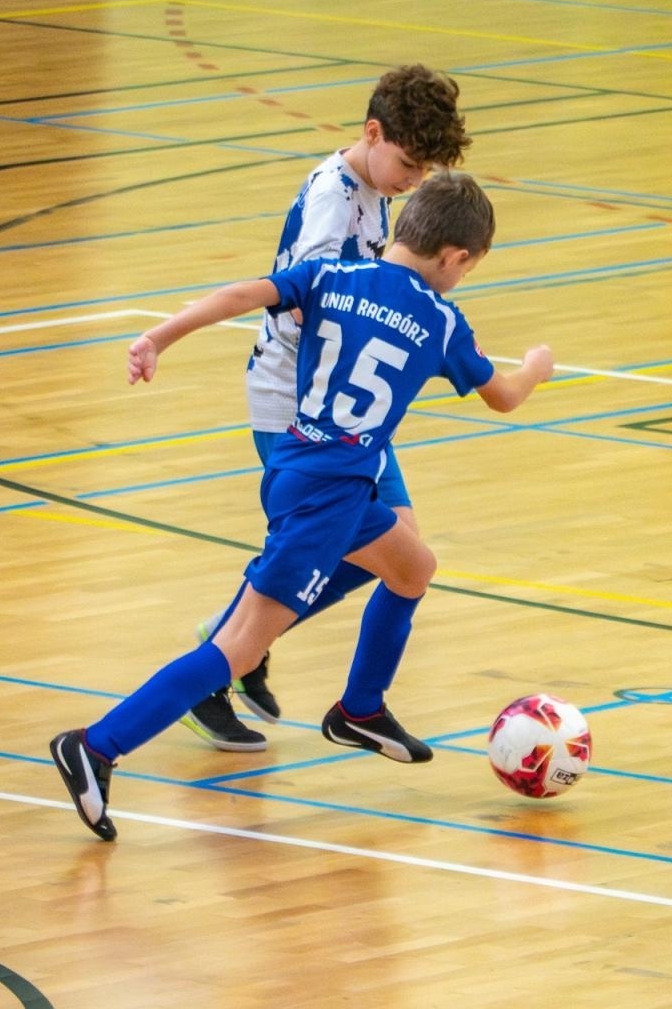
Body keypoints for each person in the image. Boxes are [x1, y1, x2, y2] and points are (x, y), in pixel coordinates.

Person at [50, 172, 553, 842]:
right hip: (328, 498)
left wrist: (160, 338)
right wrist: (537, 367)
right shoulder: (441, 322)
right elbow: (506, 396)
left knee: (411, 567)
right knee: (236, 648)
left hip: (301, 467)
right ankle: (96, 745)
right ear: (457, 258)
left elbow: (238, 296)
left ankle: (360, 709)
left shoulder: (332, 275)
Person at [183, 64, 472, 752]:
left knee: (400, 553)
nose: (413, 179)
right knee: (380, 554)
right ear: (372, 134)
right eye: (407, 162)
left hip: (347, 410)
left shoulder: (373, 192)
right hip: (301, 403)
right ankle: (224, 661)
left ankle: (240, 639)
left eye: (424, 168)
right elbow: (296, 303)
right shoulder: (331, 202)